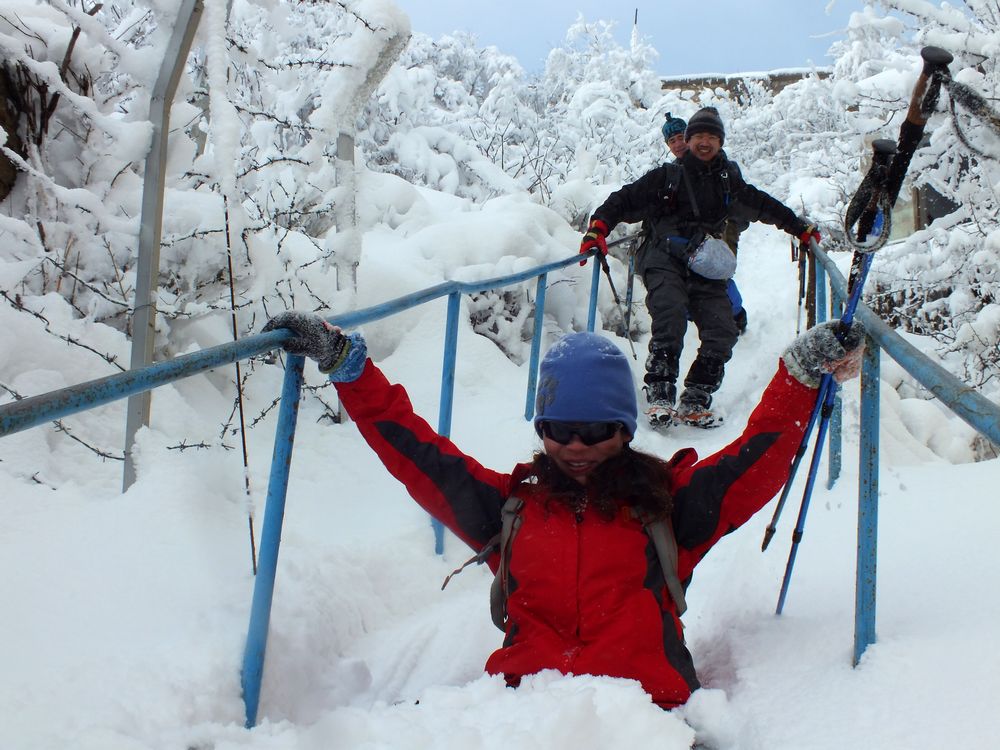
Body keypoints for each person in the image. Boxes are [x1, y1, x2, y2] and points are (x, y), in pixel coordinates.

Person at [261, 310, 865, 711]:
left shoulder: (667, 509)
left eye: (596, 429)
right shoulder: (511, 511)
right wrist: (349, 367)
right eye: (558, 429)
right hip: (526, 714)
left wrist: (798, 377)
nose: (575, 447)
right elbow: (417, 452)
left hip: (643, 717)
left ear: (625, 429)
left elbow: (754, 459)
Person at [579, 106, 821, 428]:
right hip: (662, 257)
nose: (704, 142)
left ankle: (696, 397)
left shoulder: (728, 183)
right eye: (698, 137)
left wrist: (799, 228)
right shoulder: (666, 178)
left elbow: (763, 206)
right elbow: (623, 200)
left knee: (723, 327)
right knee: (670, 312)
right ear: (689, 141)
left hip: (702, 261)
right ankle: (660, 390)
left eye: (711, 137)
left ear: (720, 142)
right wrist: (598, 229)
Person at [660, 112, 749, 336]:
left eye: (681, 137)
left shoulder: (721, 165)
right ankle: (710, 317)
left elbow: (742, 199)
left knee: (720, 274)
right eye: (672, 141)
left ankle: (736, 316)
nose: (678, 144)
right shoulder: (674, 170)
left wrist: (732, 227)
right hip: (695, 236)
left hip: (723, 229)